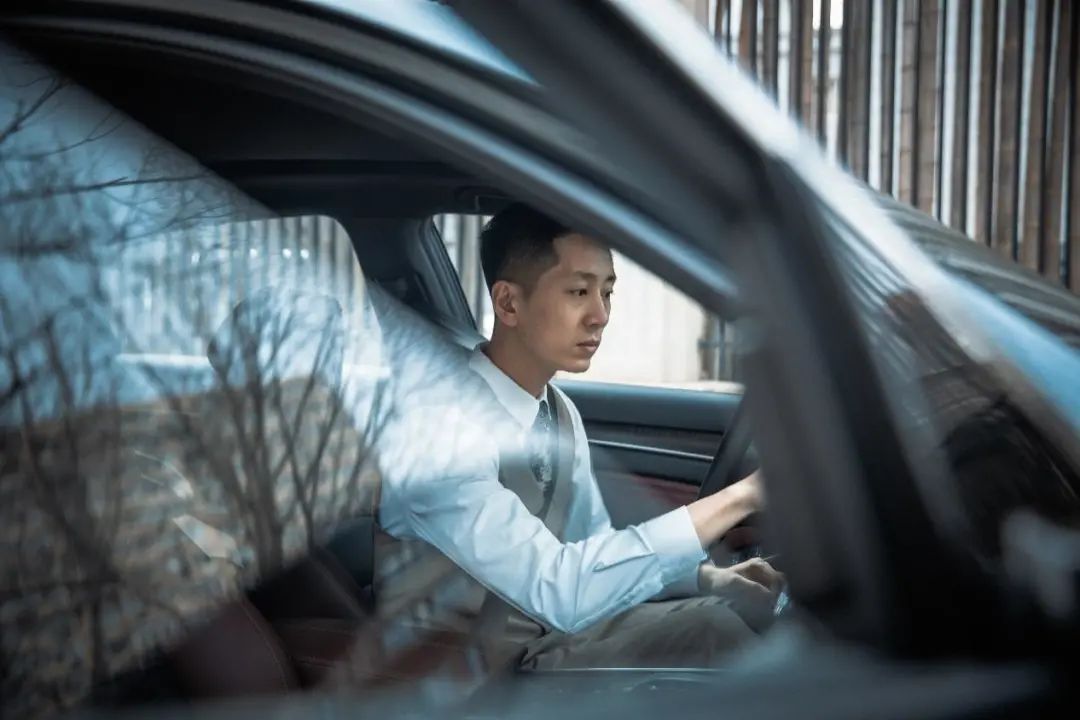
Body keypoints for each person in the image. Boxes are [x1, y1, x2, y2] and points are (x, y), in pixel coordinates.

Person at [375, 204, 782, 670]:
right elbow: (562, 589)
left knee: (744, 615)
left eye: (607, 292)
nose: (600, 315)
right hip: (476, 671)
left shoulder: (557, 410)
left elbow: (594, 550)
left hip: (552, 636)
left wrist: (707, 579)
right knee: (717, 633)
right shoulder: (440, 432)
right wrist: (741, 497)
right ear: (508, 304)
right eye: (579, 291)